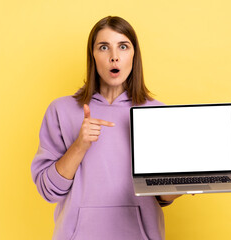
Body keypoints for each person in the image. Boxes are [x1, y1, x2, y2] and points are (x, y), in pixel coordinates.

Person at [31, 16, 182, 240]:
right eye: (104, 47)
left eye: (123, 46)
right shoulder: (61, 110)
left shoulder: (156, 112)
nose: (114, 56)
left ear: (134, 55)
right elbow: (48, 190)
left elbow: (161, 197)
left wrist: (181, 186)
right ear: (93, 55)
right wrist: (80, 146)